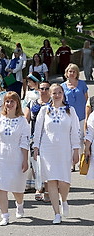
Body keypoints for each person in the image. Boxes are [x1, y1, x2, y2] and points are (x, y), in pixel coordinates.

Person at [33, 84, 80, 224]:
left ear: (63, 94)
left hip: (65, 149)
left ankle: (64, 200)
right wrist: (36, 147)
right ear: (50, 95)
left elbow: (75, 131)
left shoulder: (70, 110)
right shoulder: (44, 110)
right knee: (52, 180)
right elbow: (38, 130)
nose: (57, 95)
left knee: (64, 181)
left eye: (60, 92)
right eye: (54, 93)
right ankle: (56, 213)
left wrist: (76, 150)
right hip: (48, 149)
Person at [0, 92, 30, 226]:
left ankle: (20, 203)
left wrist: (25, 159)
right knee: (1, 187)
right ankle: (5, 215)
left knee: (17, 188)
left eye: (12, 101)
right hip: (1, 155)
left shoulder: (23, 121)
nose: (9, 104)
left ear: (17, 103)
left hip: (16, 154)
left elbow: (25, 141)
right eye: (7, 101)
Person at [24, 80, 52, 202]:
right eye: (42, 88)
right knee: (36, 163)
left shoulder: (54, 103)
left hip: (50, 139)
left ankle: (47, 187)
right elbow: (26, 120)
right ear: (38, 90)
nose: (44, 91)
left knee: (48, 163)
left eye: (46, 89)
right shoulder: (32, 103)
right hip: (34, 137)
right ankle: (38, 187)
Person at [61, 63, 88, 164]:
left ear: (77, 73)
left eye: (74, 71)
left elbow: (86, 100)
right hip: (68, 116)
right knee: (69, 139)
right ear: (66, 73)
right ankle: (71, 162)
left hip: (81, 115)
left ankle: (81, 161)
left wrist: (87, 115)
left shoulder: (82, 84)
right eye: (70, 71)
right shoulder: (62, 86)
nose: (72, 73)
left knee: (81, 139)